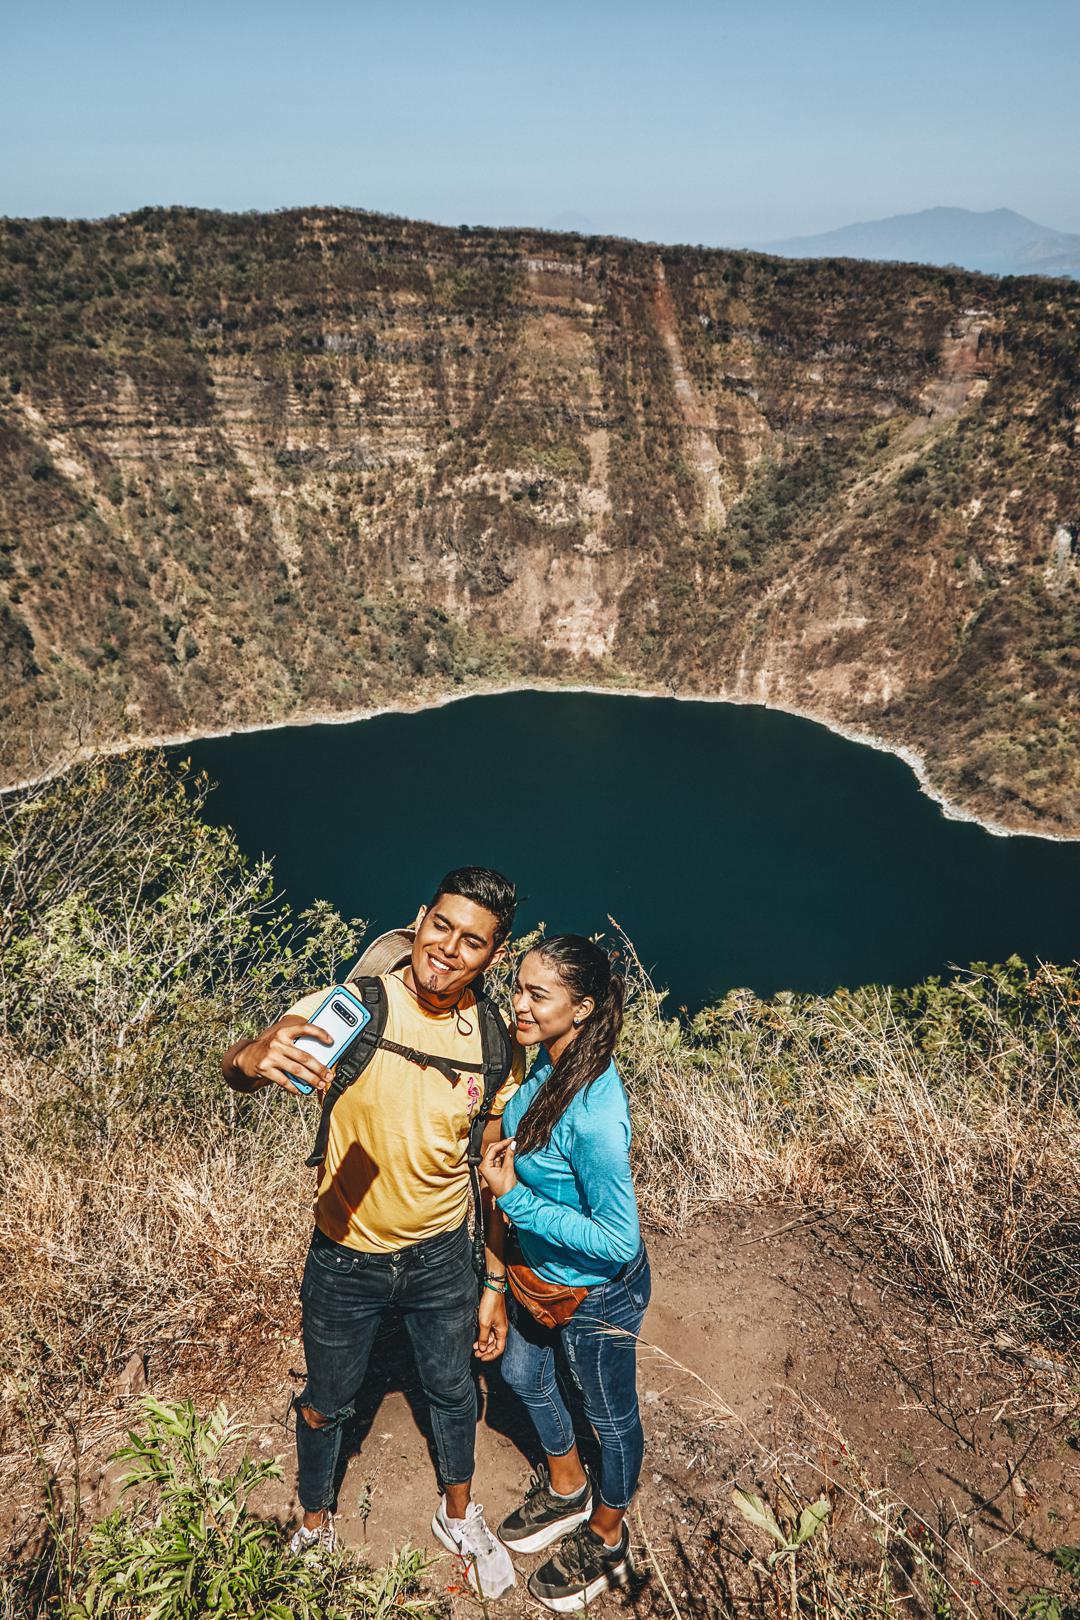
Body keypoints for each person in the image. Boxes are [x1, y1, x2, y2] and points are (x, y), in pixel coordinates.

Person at [221, 866, 521, 1599]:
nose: (449, 949)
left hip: (444, 1252)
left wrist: (493, 1282)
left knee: (453, 1390)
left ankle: (458, 1515)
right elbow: (246, 1060)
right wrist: (256, 1058)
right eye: (441, 926)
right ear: (419, 918)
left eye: (473, 941)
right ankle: (316, 1525)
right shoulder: (354, 1005)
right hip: (345, 1255)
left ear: (494, 955)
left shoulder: (492, 1039)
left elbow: (492, 1171)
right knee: (328, 1400)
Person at [479, 935, 650, 1614]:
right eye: (517, 988)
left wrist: (512, 1197)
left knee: (611, 1417)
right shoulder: (548, 1066)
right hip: (534, 1273)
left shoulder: (595, 1112)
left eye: (536, 995)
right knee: (521, 1374)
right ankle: (567, 1487)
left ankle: (608, 1539)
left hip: (595, 1291)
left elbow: (618, 1238)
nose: (517, 1004)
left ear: (580, 1008)